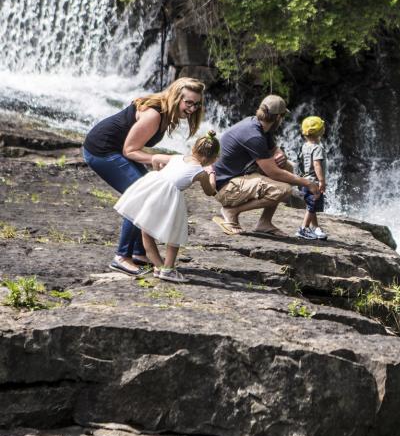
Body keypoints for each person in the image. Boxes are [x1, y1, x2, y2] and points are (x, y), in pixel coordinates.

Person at [82, 77, 205, 276]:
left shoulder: (167, 113)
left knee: (151, 192)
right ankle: (122, 257)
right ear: (175, 98)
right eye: (188, 102)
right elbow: (130, 150)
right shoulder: (154, 115)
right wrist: (162, 157)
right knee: (143, 198)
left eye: (196, 104)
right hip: (101, 151)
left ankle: (139, 252)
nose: (192, 108)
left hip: (115, 151)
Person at [113, 132, 220, 283]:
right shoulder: (200, 172)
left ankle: (159, 266)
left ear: (194, 148)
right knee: (174, 233)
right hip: (169, 197)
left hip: (152, 189)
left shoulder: (177, 157)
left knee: (146, 230)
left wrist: (158, 172)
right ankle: (168, 269)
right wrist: (211, 173)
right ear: (210, 159)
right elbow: (210, 191)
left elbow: (155, 158)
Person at [211, 94, 321, 237]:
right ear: (278, 117)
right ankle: (232, 211)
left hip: (240, 175)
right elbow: (273, 173)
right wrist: (308, 183)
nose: (282, 121)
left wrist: (281, 154)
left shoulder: (259, 125)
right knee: (284, 190)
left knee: (287, 167)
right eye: (282, 117)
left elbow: (274, 149)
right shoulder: (254, 136)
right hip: (226, 187)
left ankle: (264, 223)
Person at [297, 116, 329, 240]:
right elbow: (317, 164)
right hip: (313, 182)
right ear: (321, 131)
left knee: (312, 205)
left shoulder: (305, 146)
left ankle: (315, 227)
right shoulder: (318, 148)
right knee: (312, 206)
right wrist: (321, 181)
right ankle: (303, 229)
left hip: (304, 181)